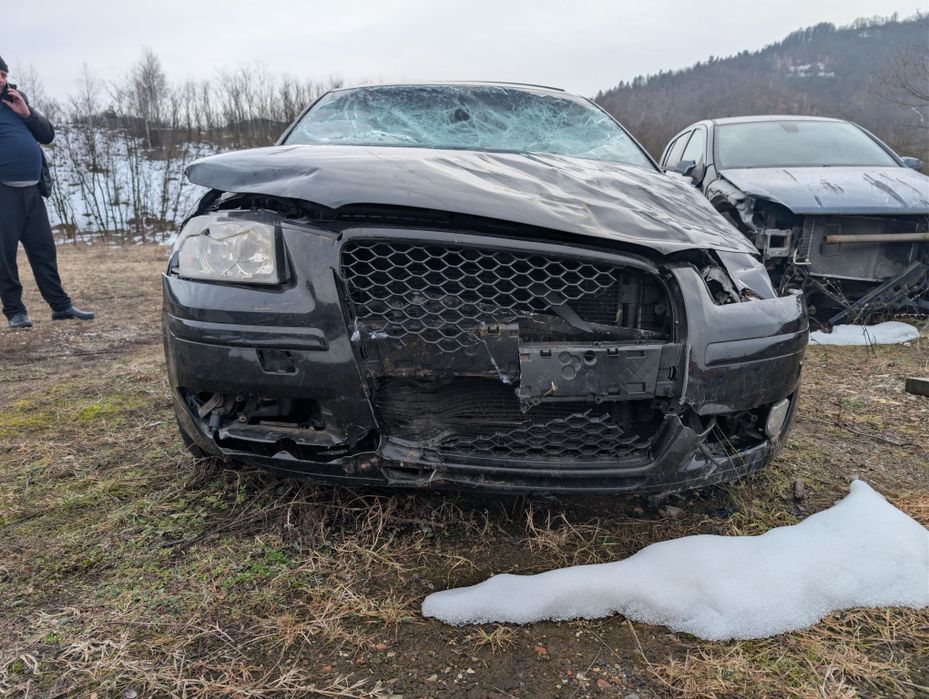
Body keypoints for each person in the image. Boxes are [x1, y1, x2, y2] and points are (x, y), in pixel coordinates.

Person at [0, 55, 93, 329]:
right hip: (3, 193)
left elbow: (47, 135)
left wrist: (26, 113)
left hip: (32, 190)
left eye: (3, 74)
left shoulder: (17, 99)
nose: (1, 80)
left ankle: (61, 306)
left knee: (43, 249)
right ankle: (15, 311)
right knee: (4, 255)